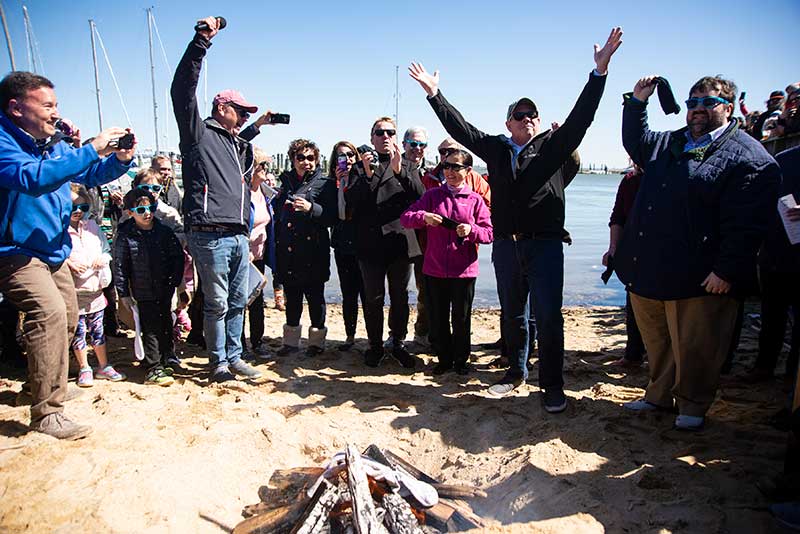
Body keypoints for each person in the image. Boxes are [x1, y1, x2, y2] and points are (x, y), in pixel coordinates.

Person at [409, 27, 623, 413]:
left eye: (532, 115)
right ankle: (515, 372)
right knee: (513, 314)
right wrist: (434, 94)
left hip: (544, 244)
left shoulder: (552, 149)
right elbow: (460, 128)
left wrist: (599, 73)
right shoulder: (494, 148)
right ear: (508, 123)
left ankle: (552, 385)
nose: (527, 119)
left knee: (549, 317)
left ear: (538, 123)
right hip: (507, 245)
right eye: (519, 115)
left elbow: (581, 120)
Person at [617, 74, 780, 430]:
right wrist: (638, 102)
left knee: (696, 346)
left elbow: (748, 224)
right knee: (658, 342)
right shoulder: (669, 142)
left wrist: (726, 270)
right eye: (693, 103)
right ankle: (658, 395)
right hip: (650, 267)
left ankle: (692, 404)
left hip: (700, 275)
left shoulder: (750, 157)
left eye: (709, 102)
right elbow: (636, 141)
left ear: (729, 107)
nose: (698, 110)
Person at [0, 71, 135, 439]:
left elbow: (89, 174)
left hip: (53, 248)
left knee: (67, 316)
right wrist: (90, 147)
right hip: (14, 252)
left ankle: (41, 387)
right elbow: (33, 178)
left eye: (56, 105)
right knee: (48, 312)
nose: (54, 112)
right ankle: (47, 414)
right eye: (47, 105)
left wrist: (119, 160)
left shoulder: (52, 142)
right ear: (15, 108)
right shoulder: (3, 142)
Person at [171, 16, 273, 382]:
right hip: (209, 233)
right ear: (221, 108)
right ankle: (218, 363)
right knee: (214, 301)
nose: (245, 115)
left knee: (236, 299)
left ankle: (234, 355)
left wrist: (259, 124)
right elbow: (182, 90)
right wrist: (201, 43)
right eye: (241, 110)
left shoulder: (234, 143)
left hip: (235, 233)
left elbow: (245, 140)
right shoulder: (198, 133)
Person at [401, 148, 493, 375]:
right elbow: (405, 218)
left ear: (468, 171)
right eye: (446, 166)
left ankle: (461, 361)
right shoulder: (432, 196)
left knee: (461, 319)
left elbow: (489, 233)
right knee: (438, 319)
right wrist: (424, 217)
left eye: (456, 167)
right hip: (434, 269)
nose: (449, 172)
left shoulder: (475, 200)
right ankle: (444, 360)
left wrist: (471, 230)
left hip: (464, 271)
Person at [344, 117, 426, 368]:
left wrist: (399, 168)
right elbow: (353, 206)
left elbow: (420, 197)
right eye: (380, 133)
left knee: (400, 296)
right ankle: (375, 345)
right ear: (372, 138)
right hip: (369, 245)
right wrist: (368, 174)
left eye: (390, 132)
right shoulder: (359, 168)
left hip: (399, 243)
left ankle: (398, 342)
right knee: (373, 298)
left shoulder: (408, 165)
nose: (385, 136)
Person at [114, 189, 184, 386]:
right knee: (149, 327)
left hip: (165, 286)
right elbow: (120, 265)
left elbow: (177, 257)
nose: (147, 213)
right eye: (141, 209)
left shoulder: (164, 231)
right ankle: (154, 367)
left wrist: (176, 282)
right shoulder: (126, 235)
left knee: (166, 323)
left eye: (151, 208)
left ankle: (168, 356)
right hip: (142, 289)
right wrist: (123, 293)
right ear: (130, 212)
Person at [274, 139, 336, 357]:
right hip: (289, 250)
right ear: (293, 159)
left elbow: (332, 217)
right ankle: (290, 343)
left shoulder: (325, 183)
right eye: (301, 157)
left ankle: (316, 344)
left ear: (317, 159)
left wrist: (312, 208)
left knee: (316, 299)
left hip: (314, 252)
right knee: (292, 298)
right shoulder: (286, 181)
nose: (306, 162)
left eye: (311, 158)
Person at [746, 145, 800, 383]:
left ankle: (793, 376)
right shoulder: (783, 159)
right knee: (772, 315)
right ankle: (763, 368)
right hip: (775, 251)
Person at [66, 184, 125, 387]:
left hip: (95, 289)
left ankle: (103, 365)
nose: (78, 212)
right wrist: (69, 262)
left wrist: (103, 257)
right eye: (73, 207)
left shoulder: (92, 226)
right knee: (79, 331)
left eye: (82, 207)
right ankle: (84, 366)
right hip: (73, 291)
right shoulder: (59, 230)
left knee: (98, 329)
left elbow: (107, 249)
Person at [603, 165, 646, 367]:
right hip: (634, 253)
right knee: (633, 303)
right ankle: (633, 355)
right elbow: (617, 217)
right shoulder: (629, 181)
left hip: (662, 253)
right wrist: (613, 249)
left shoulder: (667, 176)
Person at [329, 140, 366, 351]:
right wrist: (338, 184)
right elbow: (333, 215)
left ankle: (372, 337)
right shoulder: (331, 183)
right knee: (348, 293)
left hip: (364, 244)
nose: (348, 160)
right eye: (342, 156)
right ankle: (350, 336)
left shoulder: (364, 179)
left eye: (351, 155)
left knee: (368, 293)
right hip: (343, 245)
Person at [244, 147, 276, 359]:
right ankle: (239, 345)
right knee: (239, 301)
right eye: (261, 165)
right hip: (242, 256)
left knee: (257, 299)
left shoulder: (265, 192)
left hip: (260, 255)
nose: (265, 169)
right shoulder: (241, 192)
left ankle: (257, 341)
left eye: (266, 165)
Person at [402, 127, 432, 347]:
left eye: (422, 145)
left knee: (426, 290)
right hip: (396, 237)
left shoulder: (431, 173)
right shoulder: (392, 166)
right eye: (413, 144)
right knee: (398, 291)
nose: (418, 149)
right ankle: (397, 336)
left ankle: (422, 333)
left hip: (423, 240)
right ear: (404, 144)